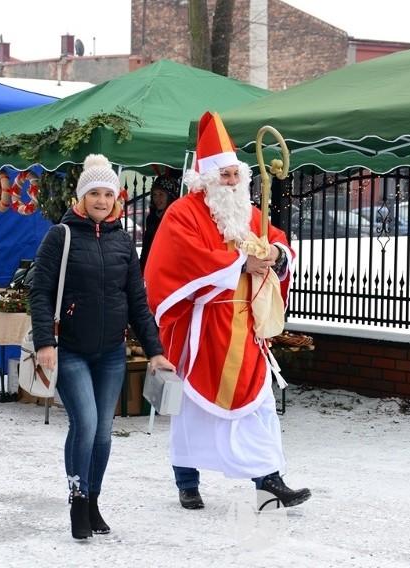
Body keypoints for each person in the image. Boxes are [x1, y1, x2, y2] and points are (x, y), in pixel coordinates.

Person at [143, 111, 311, 510]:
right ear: (205, 178)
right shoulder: (182, 213)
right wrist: (239, 265)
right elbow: (178, 260)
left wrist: (276, 254)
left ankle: (269, 479)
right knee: (192, 410)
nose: (232, 182)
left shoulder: (251, 214)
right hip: (201, 326)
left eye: (236, 175)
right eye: (225, 176)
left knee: (258, 405)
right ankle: (187, 481)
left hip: (245, 326)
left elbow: (278, 241)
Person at [30, 153, 175, 540]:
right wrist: (45, 341)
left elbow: (137, 300)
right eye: (93, 193)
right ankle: (77, 501)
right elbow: (39, 291)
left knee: (104, 432)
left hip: (111, 351)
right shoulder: (60, 235)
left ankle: (93, 500)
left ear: (116, 199)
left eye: (107, 194)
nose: (100, 200)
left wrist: (155, 349)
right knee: (87, 423)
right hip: (70, 350)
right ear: (82, 196)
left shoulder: (123, 242)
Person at [139, 173, 180, 273]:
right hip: (150, 267)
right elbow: (146, 247)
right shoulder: (151, 218)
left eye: (161, 194)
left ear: (170, 196)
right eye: (155, 194)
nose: (157, 199)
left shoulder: (176, 218)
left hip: (167, 270)